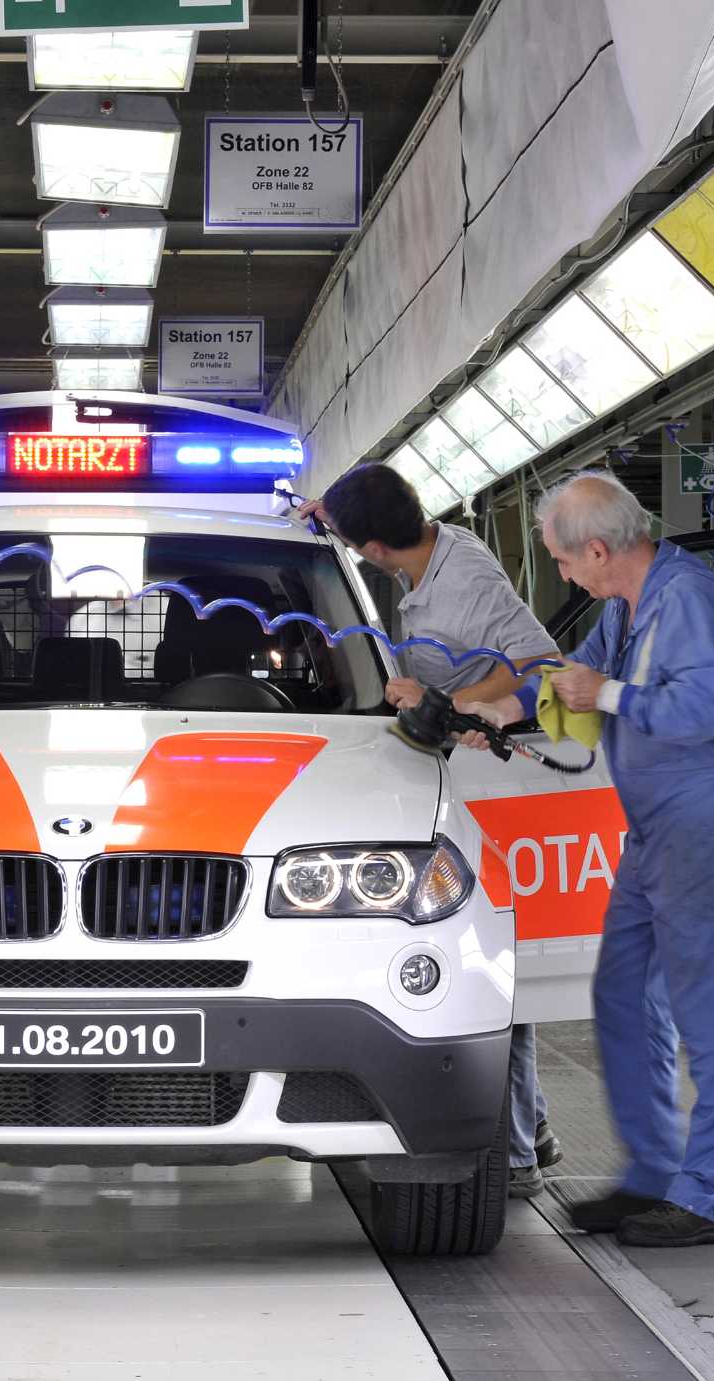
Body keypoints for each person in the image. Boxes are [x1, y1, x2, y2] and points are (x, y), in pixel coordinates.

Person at [465, 472, 714, 1248]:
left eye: (563, 564)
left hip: (702, 818)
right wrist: (500, 710)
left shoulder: (692, 601)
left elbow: (704, 711)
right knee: (625, 996)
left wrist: (610, 697)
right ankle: (651, 1179)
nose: (562, 576)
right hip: (652, 828)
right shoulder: (628, 606)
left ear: (596, 549)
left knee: (709, 1011)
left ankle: (709, 1197)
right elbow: (573, 680)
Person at [306, 464, 566, 1199]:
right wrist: (322, 513)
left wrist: (446, 702)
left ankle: (513, 1154)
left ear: (375, 550)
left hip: (480, 783)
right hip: (435, 775)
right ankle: (531, 1130)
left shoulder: (468, 581)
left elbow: (543, 664)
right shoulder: (415, 554)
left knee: (490, 973)